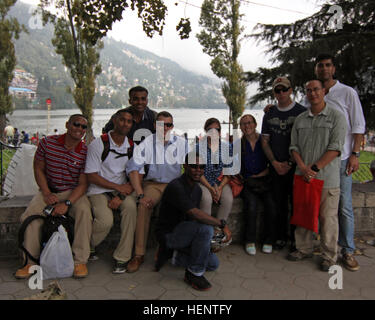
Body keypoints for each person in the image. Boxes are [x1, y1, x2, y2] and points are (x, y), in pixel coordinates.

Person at [15, 114, 93, 279]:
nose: (79, 129)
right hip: (48, 190)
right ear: (67, 124)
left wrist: (68, 203)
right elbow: (38, 169)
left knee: (84, 213)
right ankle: (30, 262)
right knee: (29, 217)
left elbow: (83, 184)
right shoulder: (47, 143)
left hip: (72, 192)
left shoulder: (85, 151)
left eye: (83, 127)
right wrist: (46, 192)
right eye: (76, 124)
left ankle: (80, 261)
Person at [312, 53, 366, 271]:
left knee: (343, 207)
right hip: (320, 161)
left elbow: (358, 126)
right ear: (316, 70)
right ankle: (327, 248)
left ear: (333, 69)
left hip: (342, 160)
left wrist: (355, 154)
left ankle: (348, 250)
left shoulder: (347, 93)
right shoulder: (316, 94)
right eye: (320, 66)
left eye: (327, 65)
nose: (324, 69)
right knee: (322, 207)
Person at [288, 79, 346, 271]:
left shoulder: (336, 117)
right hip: (303, 176)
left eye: (316, 89)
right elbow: (294, 147)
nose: (313, 93)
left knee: (327, 219)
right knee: (303, 214)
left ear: (323, 92)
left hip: (327, 179)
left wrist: (314, 168)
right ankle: (303, 249)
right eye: (309, 90)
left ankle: (329, 256)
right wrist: (303, 167)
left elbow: (335, 148)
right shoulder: (301, 120)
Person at [155, 152, 232, 291]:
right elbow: (195, 214)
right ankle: (194, 273)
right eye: (194, 166)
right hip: (169, 234)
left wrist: (206, 244)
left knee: (213, 263)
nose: (198, 170)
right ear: (185, 166)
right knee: (206, 229)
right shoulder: (176, 186)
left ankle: (175, 256)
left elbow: (192, 220)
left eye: (201, 167)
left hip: (185, 233)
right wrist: (221, 224)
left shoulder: (196, 189)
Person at [125, 111, 189, 273]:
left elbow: (191, 166)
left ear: (172, 126)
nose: (165, 128)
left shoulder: (181, 143)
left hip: (174, 184)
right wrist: (140, 194)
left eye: (168, 125)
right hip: (153, 185)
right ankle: (139, 254)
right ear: (155, 125)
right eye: (161, 124)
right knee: (143, 206)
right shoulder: (147, 142)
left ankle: (175, 249)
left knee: (181, 208)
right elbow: (133, 167)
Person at [84, 109, 138, 274]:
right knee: (105, 221)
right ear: (114, 121)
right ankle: (87, 245)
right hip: (98, 190)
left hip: (121, 190)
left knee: (130, 209)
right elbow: (91, 175)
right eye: (122, 120)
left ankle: (122, 257)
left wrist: (121, 195)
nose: (125, 124)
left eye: (129, 121)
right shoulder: (99, 144)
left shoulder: (131, 146)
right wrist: (117, 188)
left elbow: (135, 175)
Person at [261, 77, 306, 251]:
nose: (281, 94)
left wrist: (288, 163)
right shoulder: (269, 113)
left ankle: (296, 239)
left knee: (296, 204)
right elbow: (265, 141)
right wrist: (274, 162)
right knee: (278, 204)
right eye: (277, 91)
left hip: (295, 166)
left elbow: (303, 142)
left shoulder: (301, 112)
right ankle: (280, 236)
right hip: (275, 167)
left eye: (284, 90)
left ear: (290, 90)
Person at [239, 114, 277, 255]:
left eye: (249, 122)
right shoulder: (240, 144)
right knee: (251, 207)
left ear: (255, 124)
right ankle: (249, 241)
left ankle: (268, 240)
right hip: (248, 182)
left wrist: (262, 174)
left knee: (271, 207)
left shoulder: (265, 141)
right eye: (243, 124)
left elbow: (272, 161)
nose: (247, 126)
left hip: (265, 180)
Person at [197, 118, 233, 247]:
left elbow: (229, 172)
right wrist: (211, 189)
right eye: (210, 130)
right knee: (206, 199)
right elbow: (198, 173)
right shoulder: (198, 147)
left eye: (216, 130)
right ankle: (206, 233)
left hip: (221, 182)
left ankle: (218, 231)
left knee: (228, 199)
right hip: (203, 181)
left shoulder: (226, 147)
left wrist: (220, 187)